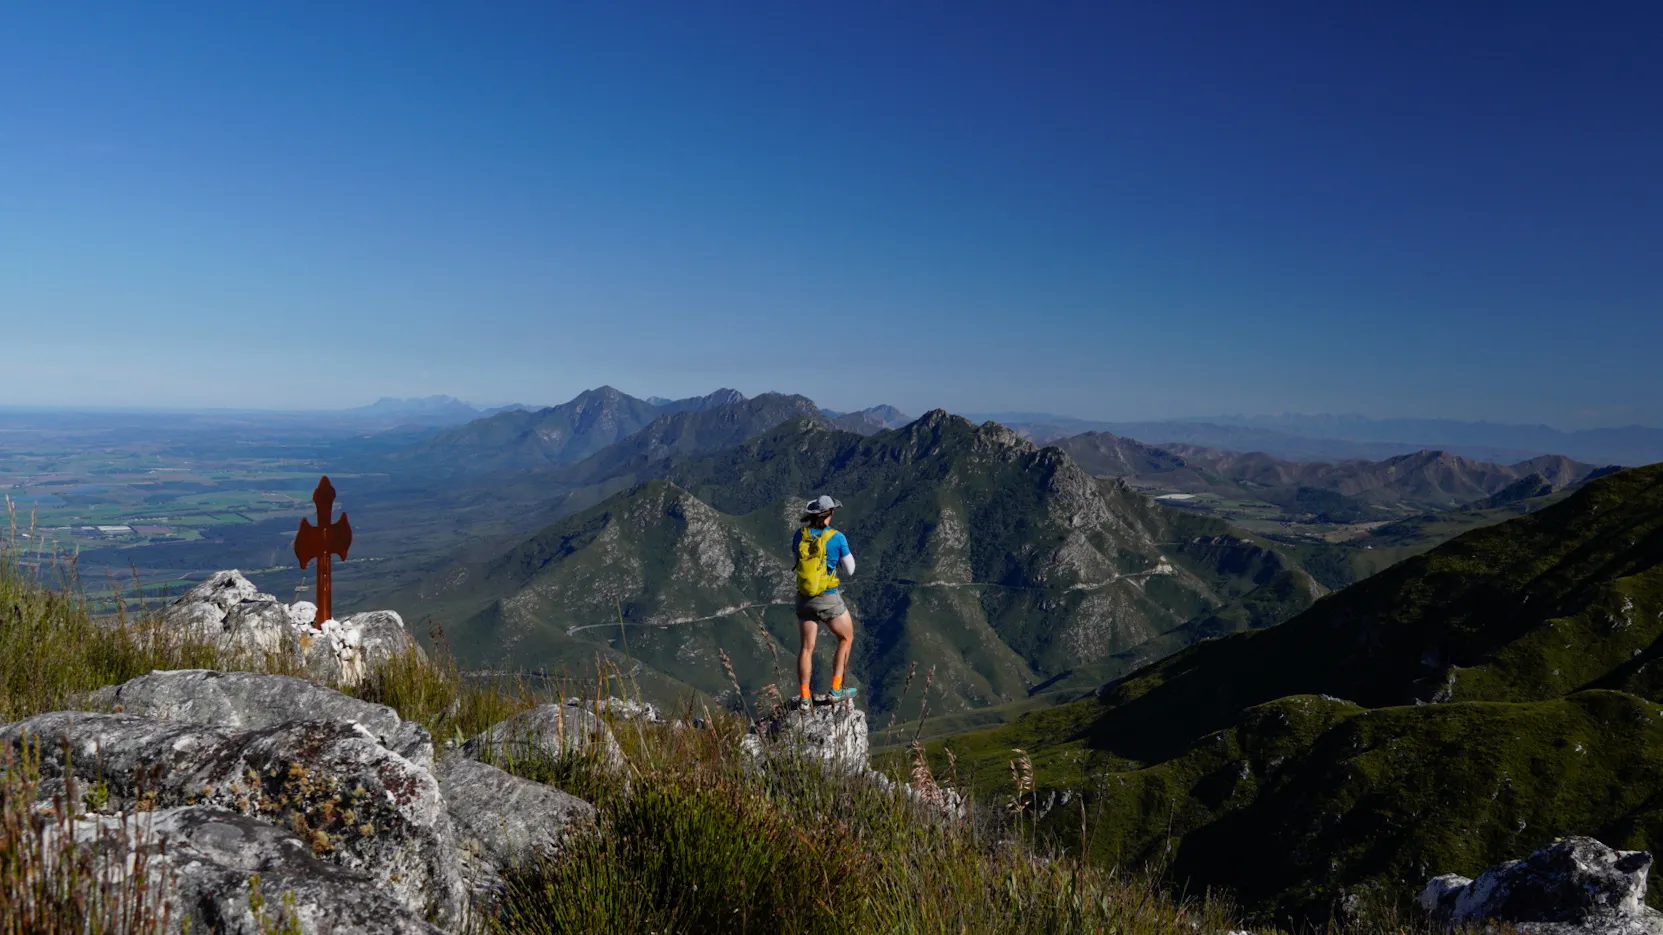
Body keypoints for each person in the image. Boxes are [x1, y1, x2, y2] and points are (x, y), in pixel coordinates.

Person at [794, 494, 857, 708]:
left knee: (807, 648)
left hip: (804, 598)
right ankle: (836, 689)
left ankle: (804, 697)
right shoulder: (837, 537)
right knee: (846, 637)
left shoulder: (799, 535)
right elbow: (850, 570)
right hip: (828, 596)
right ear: (830, 514)